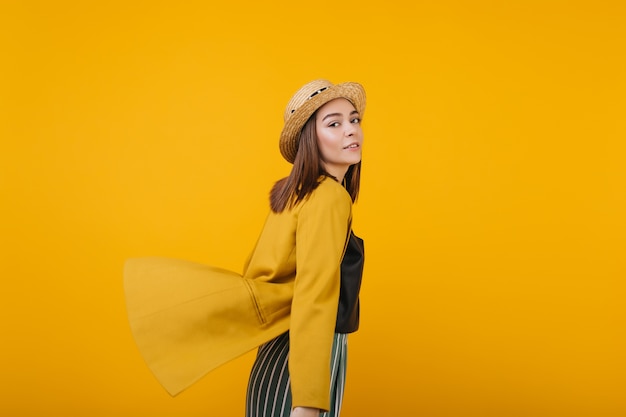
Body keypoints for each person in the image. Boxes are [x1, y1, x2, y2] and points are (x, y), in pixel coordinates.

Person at [124, 79, 366, 417]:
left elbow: (258, 270)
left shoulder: (299, 192)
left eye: (354, 120)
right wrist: (308, 400)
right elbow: (315, 295)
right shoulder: (330, 198)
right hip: (302, 361)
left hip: (276, 354)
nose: (351, 131)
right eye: (334, 123)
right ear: (310, 139)